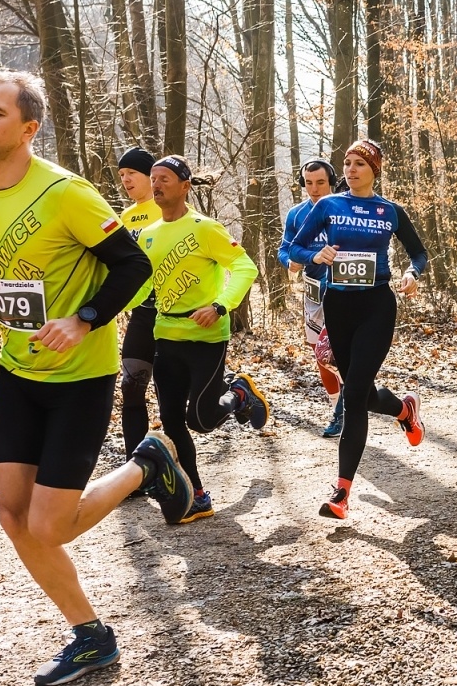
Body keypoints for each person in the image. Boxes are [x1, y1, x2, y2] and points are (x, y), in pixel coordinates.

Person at [0, 70, 192, 686]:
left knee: (50, 525)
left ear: (29, 127)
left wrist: (84, 319)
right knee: (14, 517)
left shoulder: (67, 194)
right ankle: (91, 636)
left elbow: (133, 266)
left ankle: (147, 464)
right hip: (18, 373)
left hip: (80, 378)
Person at [287, 139, 427, 521]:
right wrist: (315, 255)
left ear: (374, 170)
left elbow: (418, 253)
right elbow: (294, 249)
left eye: (359, 163)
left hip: (376, 306)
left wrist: (412, 273)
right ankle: (404, 410)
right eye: (347, 163)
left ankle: (341, 493)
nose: (350, 169)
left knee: (352, 396)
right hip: (338, 307)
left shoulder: (390, 210)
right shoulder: (328, 206)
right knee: (360, 394)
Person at [139, 156, 266, 523]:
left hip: (207, 337)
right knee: (171, 420)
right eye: (153, 178)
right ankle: (197, 495)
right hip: (166, 335)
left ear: (185, 186)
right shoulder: (147, 234)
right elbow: (143, 287)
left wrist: (220, 305)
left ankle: (238, 394)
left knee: (201, 420)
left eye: (164, 178)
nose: (156, 184)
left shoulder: (205, 229)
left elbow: (245, 267)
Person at [280, 158, 345, 438]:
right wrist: (291, 262)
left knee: (340, 352)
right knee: (320, 353)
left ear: (331, 182)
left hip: (343, 290)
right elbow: (285, 249)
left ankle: (343, 412)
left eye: (320, 182)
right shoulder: (297, 214)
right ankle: (337, 406)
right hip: (313, 292)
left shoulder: (344, 210)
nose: (314, 189)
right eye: (308, 183)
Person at [116, 146, 161, 457]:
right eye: (121, 175)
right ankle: (137, 466)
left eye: (132, 173)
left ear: (150, 176)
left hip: (175, 312)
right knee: (130, 387)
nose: (126, 180)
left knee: (177, 397)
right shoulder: (125, 217)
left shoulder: (168, 207)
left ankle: (234, 393)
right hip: (142, 313)